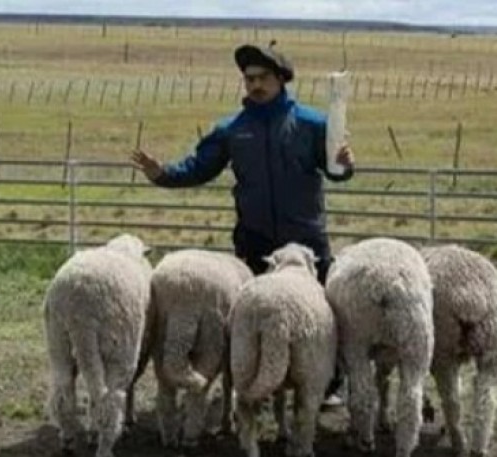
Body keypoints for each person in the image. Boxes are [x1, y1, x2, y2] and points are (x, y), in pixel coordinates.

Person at [131, 42, 354, 406]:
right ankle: (255, 384)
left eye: (263, 77)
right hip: (256, 239)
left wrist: (345, 163)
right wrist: (163, 174)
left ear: (281, 79)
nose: (255, 85)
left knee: (322, 314)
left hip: (305, 240)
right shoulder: (233, 130)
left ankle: (327, 384)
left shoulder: (313, 125)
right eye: (249, 78)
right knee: (251, 316)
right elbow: (199, 168)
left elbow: (336, 171)